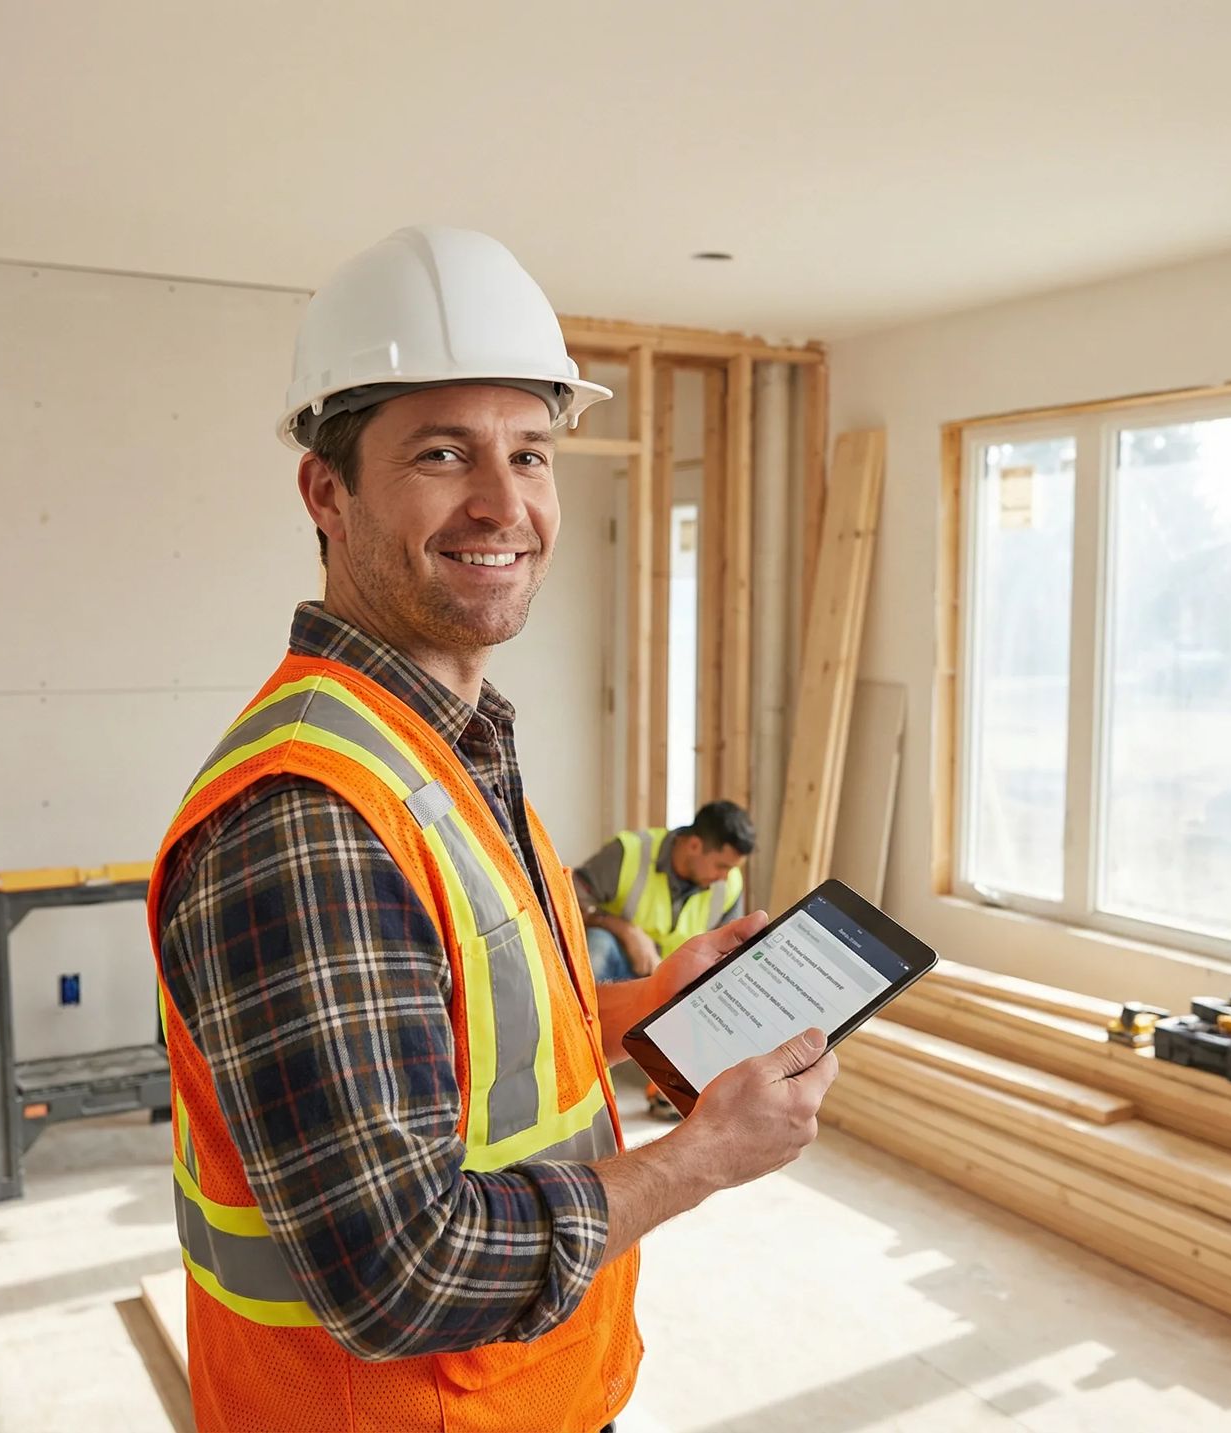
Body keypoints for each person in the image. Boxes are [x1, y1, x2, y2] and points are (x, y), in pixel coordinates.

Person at [147, 225, 840, 1433]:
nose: (504, 502)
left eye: (530, 452)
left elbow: (480, 1057)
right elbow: (404, 1269)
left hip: (525, 1397)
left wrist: (649, 1005)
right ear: (327, 492)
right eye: (441, 452)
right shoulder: (313, 814)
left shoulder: (439, 748)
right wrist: (698, 1158)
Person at [575, 801, 756, 986]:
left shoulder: (730, 885)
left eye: (732, 868)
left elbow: (728, 952)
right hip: (619, 971)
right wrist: (626, 931)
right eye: (721, 866)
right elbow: (567, 905)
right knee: (599, 944)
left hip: (677, 987)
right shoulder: (628, 852)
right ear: (694, 845)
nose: (725, 877)